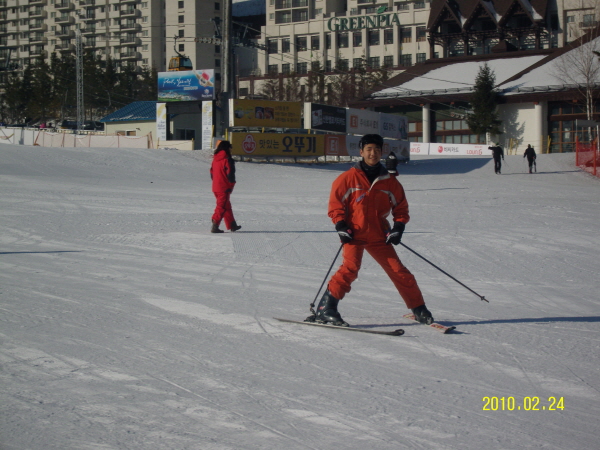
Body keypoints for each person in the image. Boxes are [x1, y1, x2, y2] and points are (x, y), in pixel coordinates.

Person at [309, 134, 433, 326]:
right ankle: (326, 308)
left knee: (399, 271)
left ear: (381, 152)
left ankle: (419, 308)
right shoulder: (347, 178)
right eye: (368, 149)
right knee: (350, 269)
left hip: (378, 235)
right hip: (354, 234)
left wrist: (398, 227)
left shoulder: (389, 181)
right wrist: (341, 226)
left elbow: (400, 208)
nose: (372, 153)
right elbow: (335, 206)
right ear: (361, 152)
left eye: (376, 150)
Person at [210, 140, 241, 233]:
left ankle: (232, 224)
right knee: (221, 206)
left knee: (226, 205)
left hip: (216, 187)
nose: (231, 149)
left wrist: (217, 182)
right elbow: (230, 175)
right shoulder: (228, 160)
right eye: (230, 147)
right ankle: (215, 224)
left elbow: (211, 173)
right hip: (224, 187)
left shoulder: (215, 159)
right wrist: (231, 185)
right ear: (227, 148)